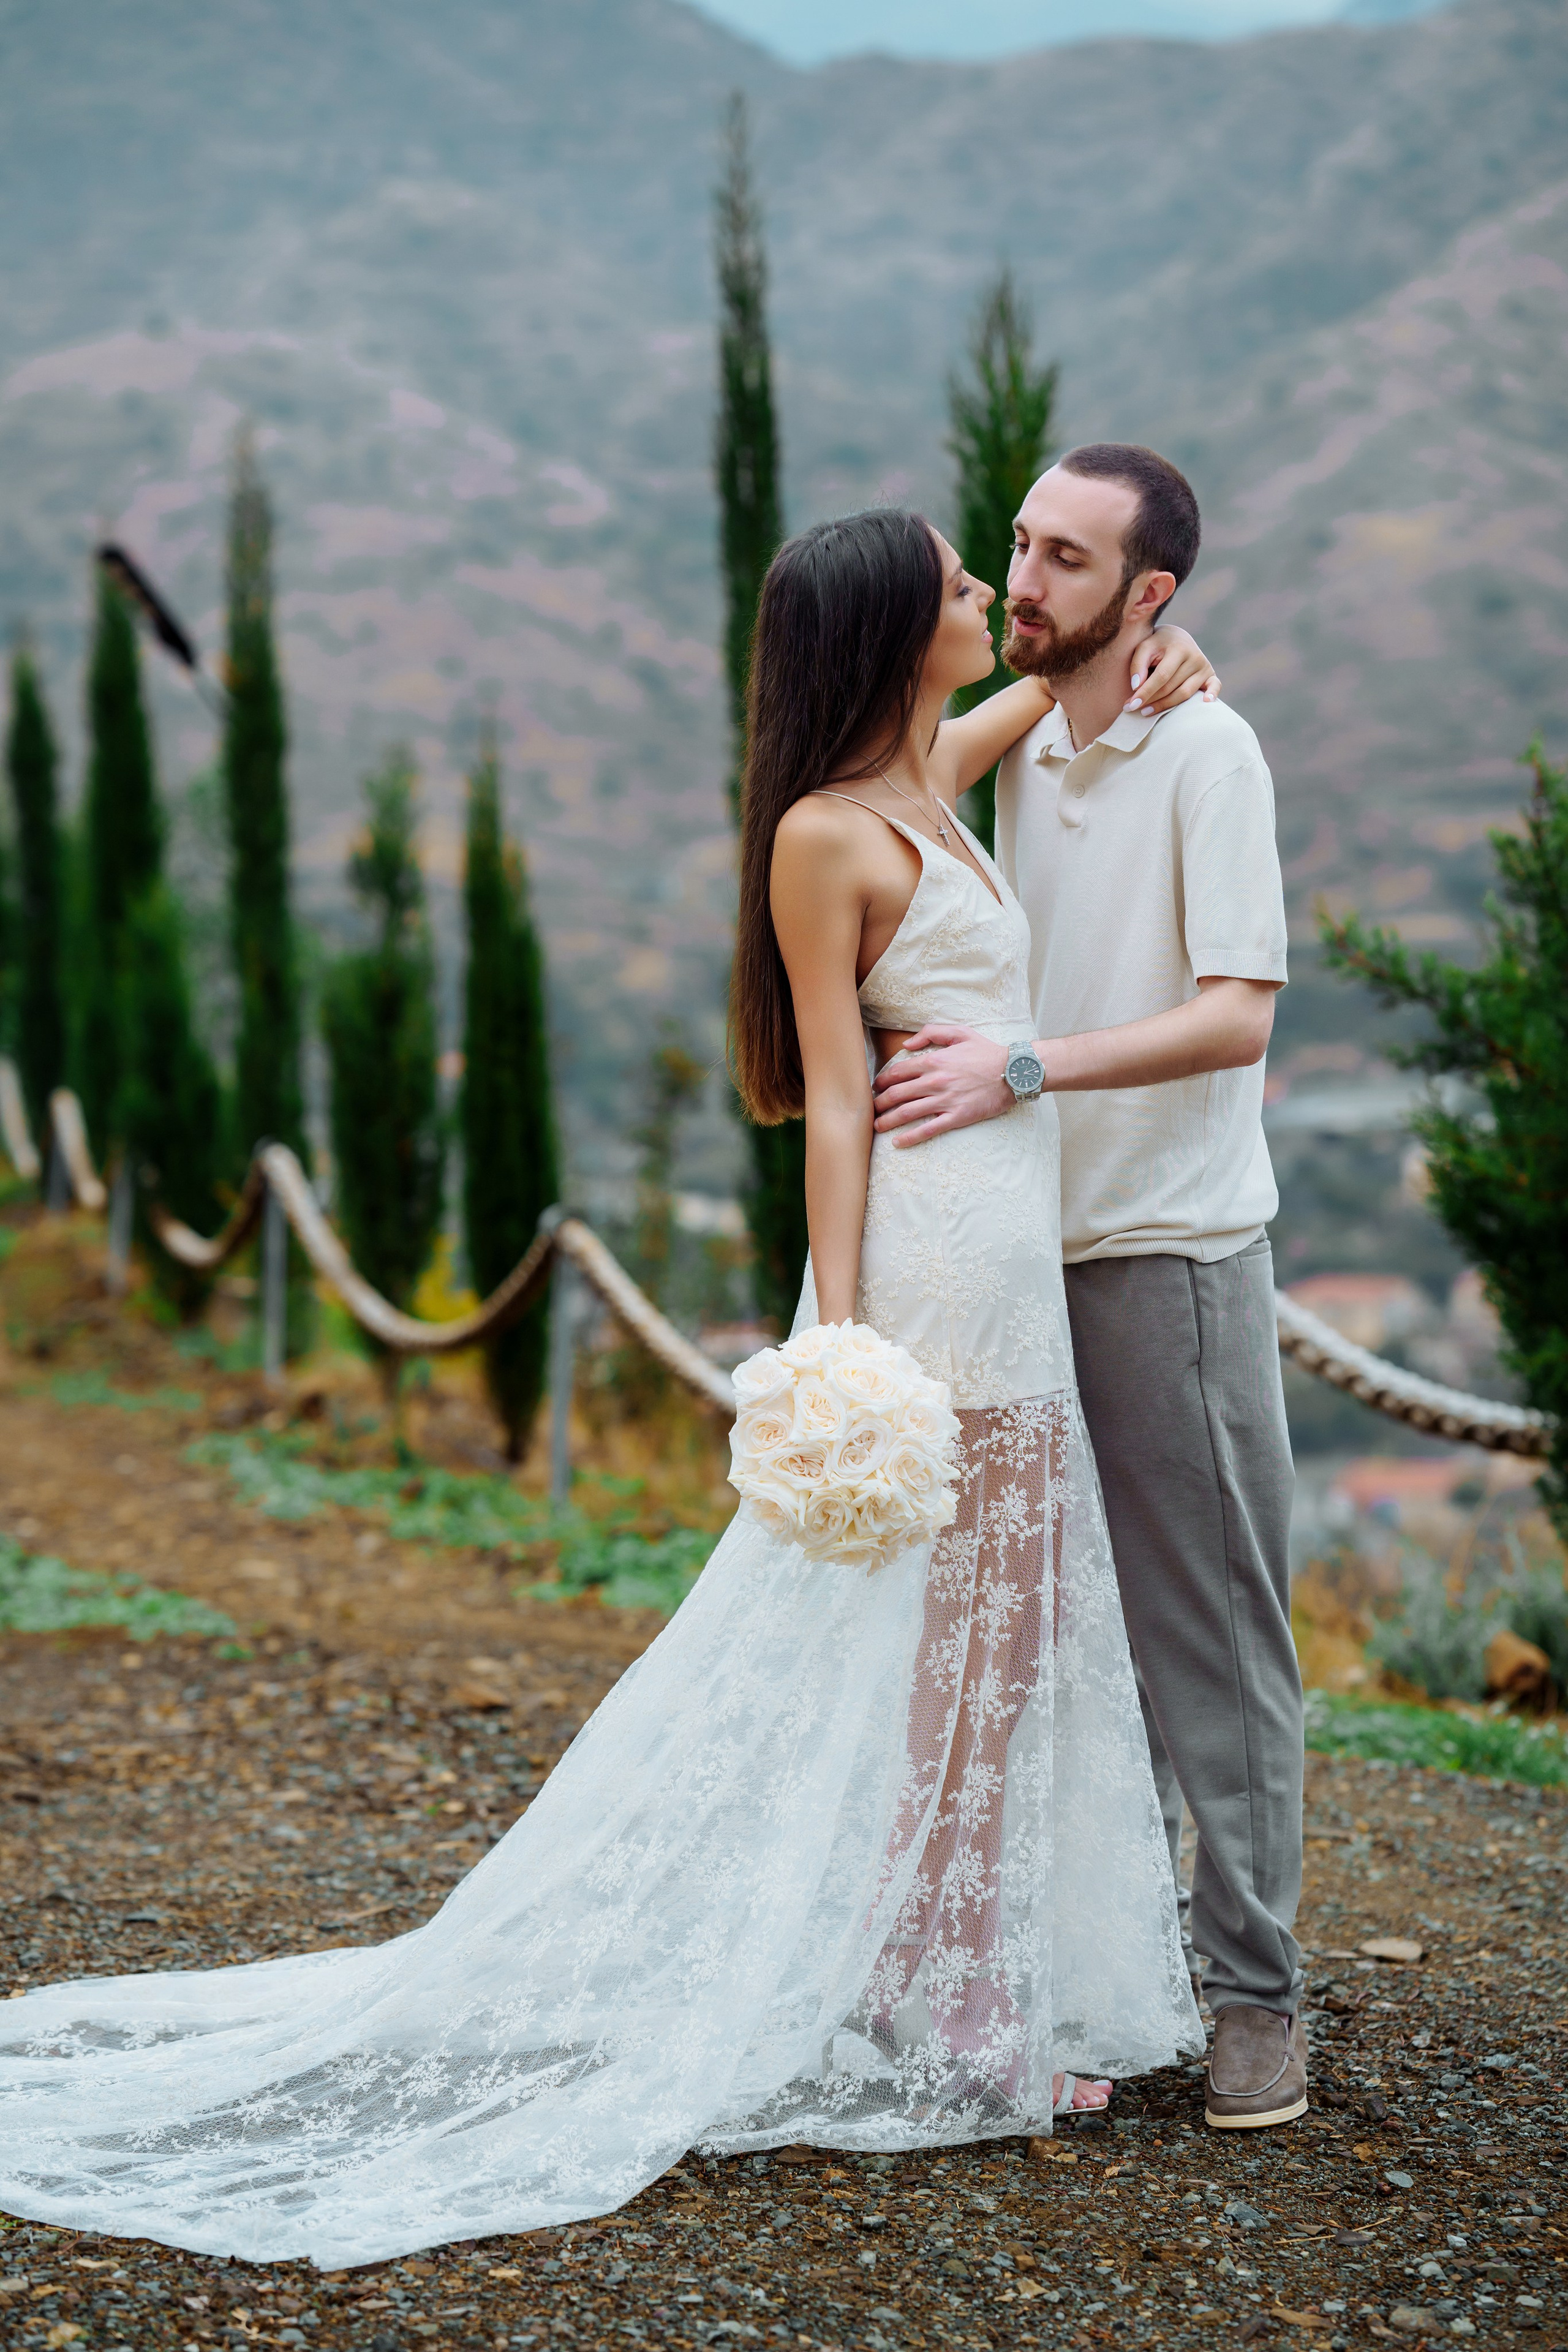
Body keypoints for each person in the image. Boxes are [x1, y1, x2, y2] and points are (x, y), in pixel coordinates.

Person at [0, 510, 1212, 2268]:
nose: (986, 601)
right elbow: (841, 1099)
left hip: (1018, 1261)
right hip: (937, 1271)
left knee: (1002, 1635)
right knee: (931, 1641)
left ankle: (952, 1963)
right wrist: (845, 1344)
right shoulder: (825, 837)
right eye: (960, 582)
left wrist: (1151, 662)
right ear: (887, 632)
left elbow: (1046, 687)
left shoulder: (932, 777)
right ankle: (940, 1989)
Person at [870, 446, 1306, 2133]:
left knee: (1215, 1641)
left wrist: (1025, 1069)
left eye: (1069, 560)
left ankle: (1259, 2004)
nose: (1026, 578)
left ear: (1154, 598)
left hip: (1166, 1254)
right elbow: (890, 789)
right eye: (1019, 548)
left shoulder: (1214, 750)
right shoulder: (1028, 740)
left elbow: (1238, 1016)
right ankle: (1092, 1979)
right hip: (1022, 1262)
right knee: (1057, 1651)